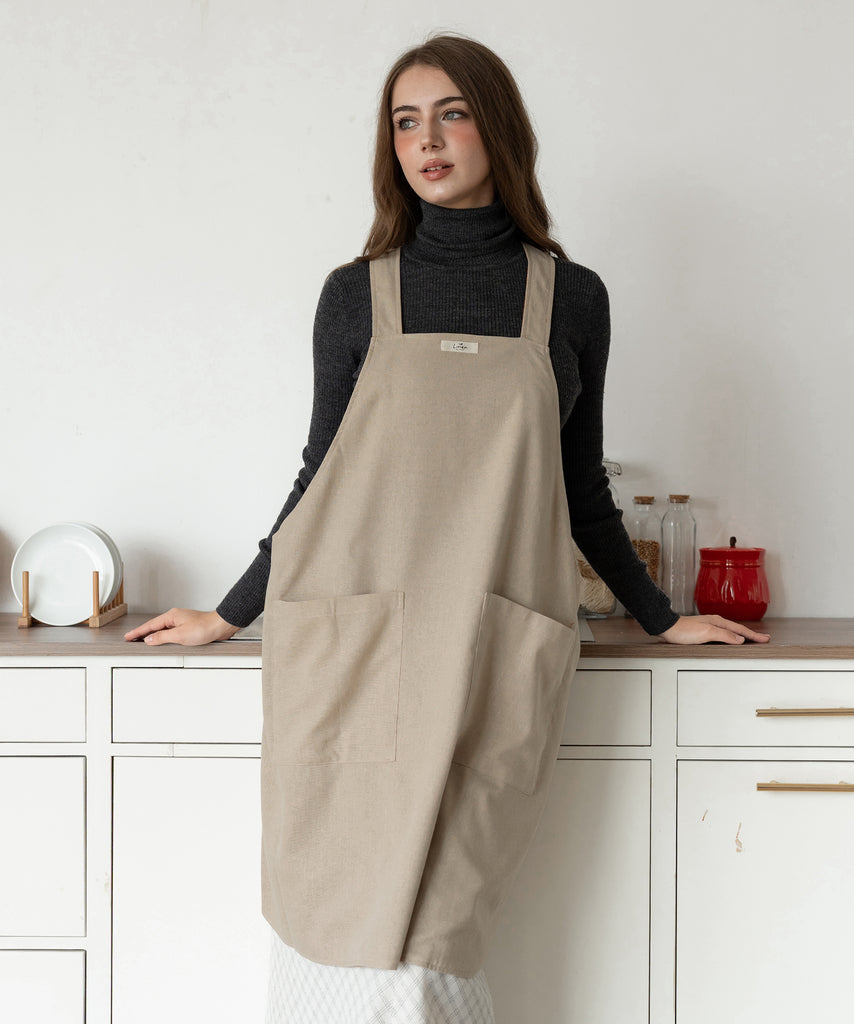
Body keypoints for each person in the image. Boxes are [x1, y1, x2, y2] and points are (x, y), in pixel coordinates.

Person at [125, 32, 770, 1024]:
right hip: (357, 664)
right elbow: (319, 472)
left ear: (496, 128)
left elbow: (577, 487)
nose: (426, 140)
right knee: (342, 933)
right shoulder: (355, 294)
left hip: (486, 653)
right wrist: (228, 610)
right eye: (404, 121)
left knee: (435, 945)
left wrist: (655, 614)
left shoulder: (571, 298)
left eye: (451, 113)